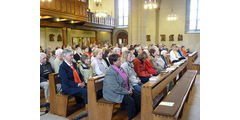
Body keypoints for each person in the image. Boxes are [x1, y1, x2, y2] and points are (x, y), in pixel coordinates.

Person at [103, 54, 141, 120]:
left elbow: (127, 80)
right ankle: (132, 117)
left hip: (124, 89)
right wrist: (127, 92)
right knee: (130, 101)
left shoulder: (120, 68)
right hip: (113, 93)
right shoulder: (110, 72)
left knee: (138, 95)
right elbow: (114, 87)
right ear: (114, 62)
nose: (120, 61)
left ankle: (137, 115)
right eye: (119, 60)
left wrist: (130, 89)